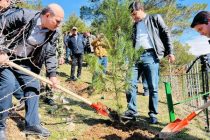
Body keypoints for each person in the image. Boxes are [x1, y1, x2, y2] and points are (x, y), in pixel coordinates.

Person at [0, 3, 64, 139]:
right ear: (47, 15)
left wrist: (52, 75)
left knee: (33, 85)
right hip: (6, 58)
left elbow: (51, 53)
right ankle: (0, 127)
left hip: (25, 62)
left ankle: (32, 125)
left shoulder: (53, 33)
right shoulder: (23, 16)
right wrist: (1, 51)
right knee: (8, 84)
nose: (59, 25)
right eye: (57, 21)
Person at [122, 1, 175, 124]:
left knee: (153, 87)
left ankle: (153, 113)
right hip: (135, 57)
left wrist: (170, 52)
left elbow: (166, 33)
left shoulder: (155, 18)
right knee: (129, 83)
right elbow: (129, 42)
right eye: (132, 15)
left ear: (141, 9)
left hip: (150, 55)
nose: (134, 17)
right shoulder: (134, 26)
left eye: (135, 14)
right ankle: (132, 111)